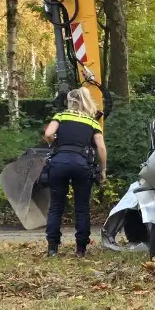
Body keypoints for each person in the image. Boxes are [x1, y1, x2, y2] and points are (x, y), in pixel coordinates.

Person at [42, 87, 107, 257]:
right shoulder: (92, 122)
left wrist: (53, 143)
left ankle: (52, 248)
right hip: (82, 165)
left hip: (59, 163)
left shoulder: (61, 116)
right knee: (82, 207)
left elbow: (48, 133)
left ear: (70, 101)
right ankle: (80, 249)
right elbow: (101, 147)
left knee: (56, 206)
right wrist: (103, 169)